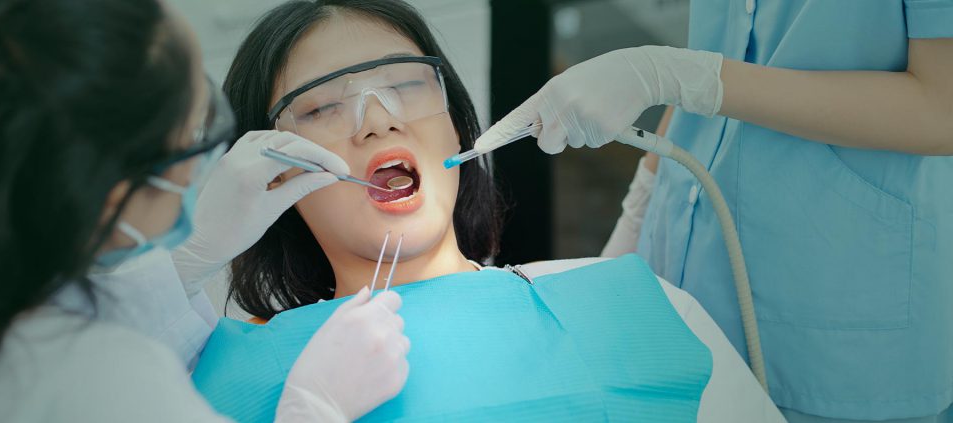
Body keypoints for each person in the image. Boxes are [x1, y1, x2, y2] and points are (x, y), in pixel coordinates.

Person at [190, 1, 783, 421]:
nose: (377, 121)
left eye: (407, 84)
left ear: (457, 131)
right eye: (320, 109)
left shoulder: (633, 307)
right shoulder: (224, 375)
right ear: (271, 173)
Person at [0, 0, 408, 421]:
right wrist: (316, 408)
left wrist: (190, 259)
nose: (378, 125)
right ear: (116, 194)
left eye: (406, 85)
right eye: (194, 137)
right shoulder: (110, 382)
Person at [484, 1, 953, 422]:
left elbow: (943, 108)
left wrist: (670, 74)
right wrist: (638, 212)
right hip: (678, 262)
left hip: (832, 307)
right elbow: (719, 50)